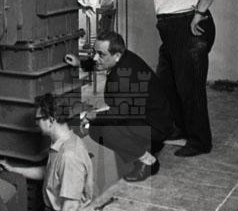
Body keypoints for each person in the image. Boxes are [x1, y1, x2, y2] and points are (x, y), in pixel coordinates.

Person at [83, 0, 220, 157]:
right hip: (172, 31)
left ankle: (200, 141)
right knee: (168, 84)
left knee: (190, 89)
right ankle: (178, 129)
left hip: (187, 29)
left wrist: (200, 13)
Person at [65, 31, 174, 181]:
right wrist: (81, 63)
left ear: (116, 55)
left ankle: (148, 162)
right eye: (95, 52)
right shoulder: (124, 57)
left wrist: (92, 116)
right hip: (153, 118)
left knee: (101, 130)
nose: (95, 58)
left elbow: (119, 114)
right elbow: (103, 61)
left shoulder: (123, 76)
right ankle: (148, 146)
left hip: (155, 126)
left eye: (101, 54)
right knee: (102, 121)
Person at [0, 93, 93, 211]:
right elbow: (48, 173)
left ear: (51, 120)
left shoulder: (69, 155)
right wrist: (13, 169)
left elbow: (70, 206)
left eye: (38, 119)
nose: (36, 123)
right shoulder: (62, 144)